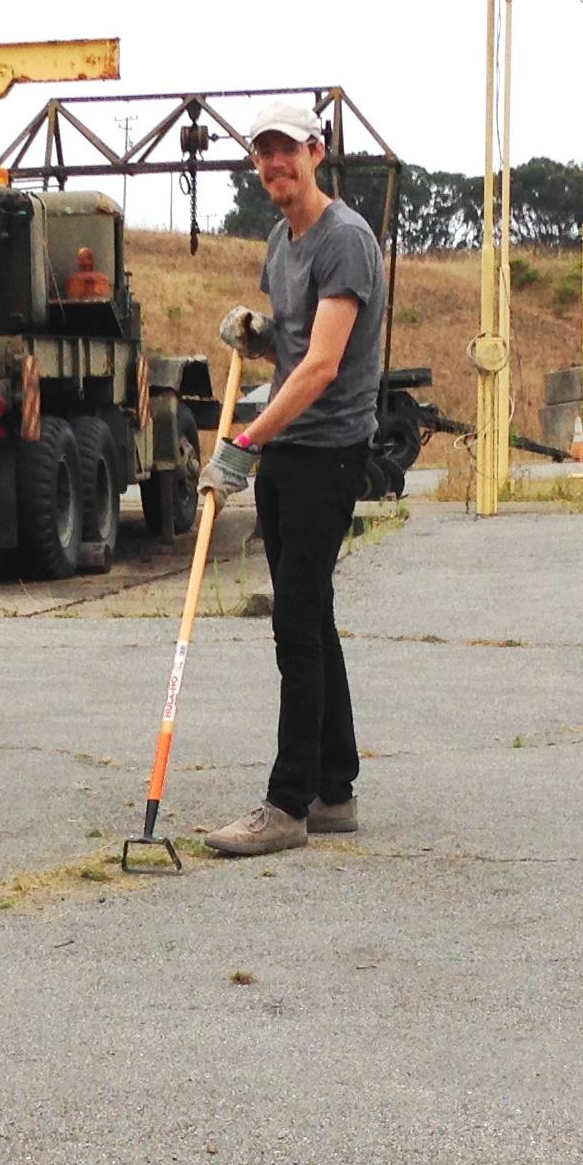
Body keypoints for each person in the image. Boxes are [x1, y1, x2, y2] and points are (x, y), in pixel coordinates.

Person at [196, 100, 388, 856]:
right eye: (263, 153)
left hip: (328, 452)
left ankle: (287, 805)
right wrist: (261, 331)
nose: (275, 164)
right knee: (312, 614)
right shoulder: (281, 240)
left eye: (288, 151)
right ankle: (333, 787)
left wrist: (243, 441)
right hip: (290, 451)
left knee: (295, 625)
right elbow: (294, 346)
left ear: (317, 152)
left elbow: (322, 367)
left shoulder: (346, 240)